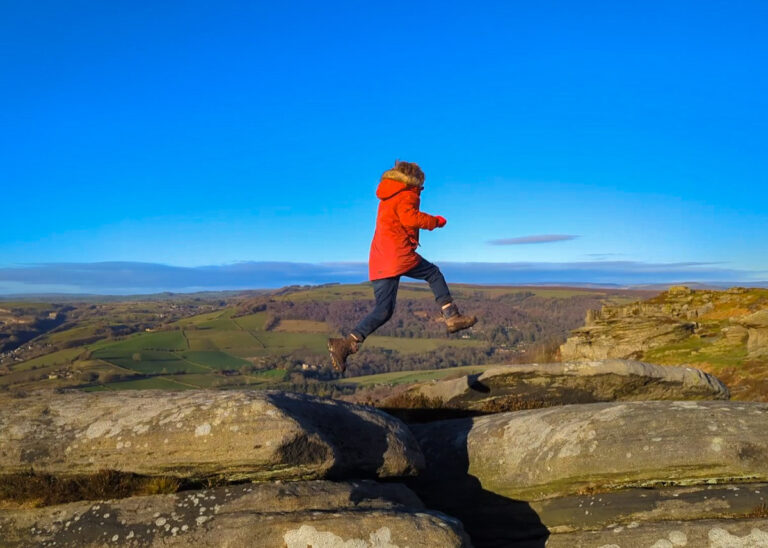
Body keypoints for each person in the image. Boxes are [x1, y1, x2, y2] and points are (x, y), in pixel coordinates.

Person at [328, 160, 477, 372]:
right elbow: (409, 217)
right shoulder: (407, 192)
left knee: (383, 310)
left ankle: (344, 344)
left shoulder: (388, 194)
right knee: (433, 273)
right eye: (422, 183)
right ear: (414, 179)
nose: (422, 188)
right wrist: (435, 221)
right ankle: (452, 317)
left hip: (380, 260)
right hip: (397, 256)